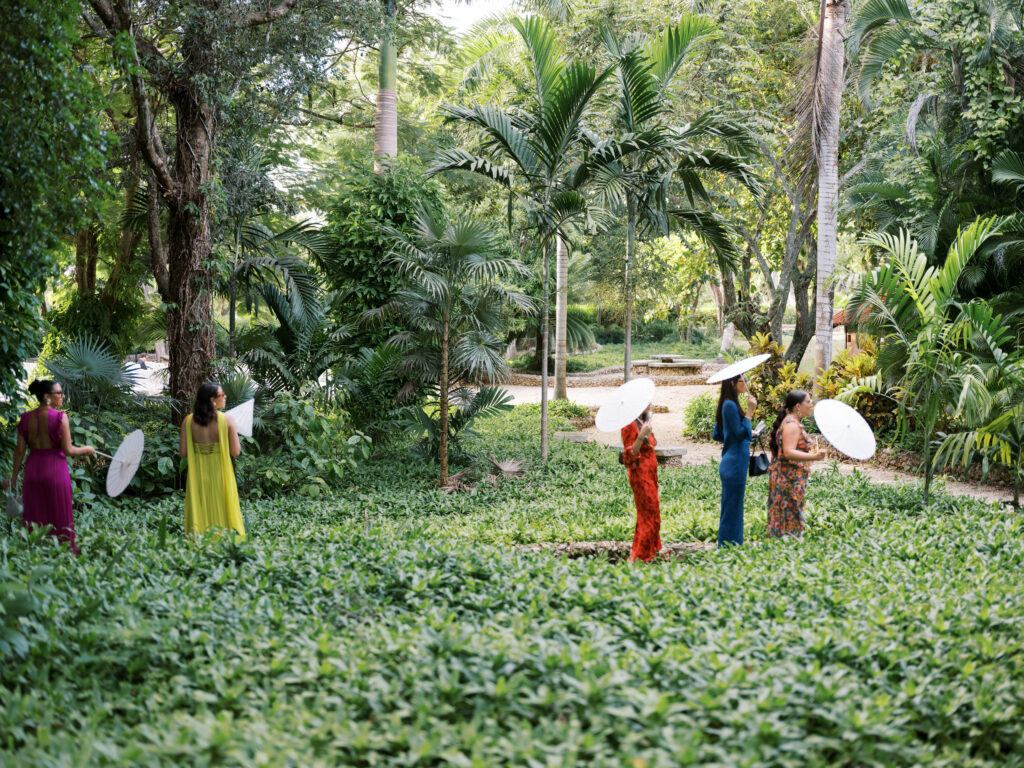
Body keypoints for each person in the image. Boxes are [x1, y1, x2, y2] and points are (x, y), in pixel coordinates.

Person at [3, 380, 95, 553]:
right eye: (59, 393)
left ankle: (34, 551)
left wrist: (14, 477)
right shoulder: (61, 417)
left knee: (34, 514)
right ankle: (64, 553)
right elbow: (68, 449)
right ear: (47, 397)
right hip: (55, 470)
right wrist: (86, 449)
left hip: (33, 470)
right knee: (60, 514)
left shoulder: (25, 418)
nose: (62, 395)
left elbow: (19, 451)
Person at [179, 382, 245, 539]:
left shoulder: (187, 421)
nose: (225, 397)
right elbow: (235, 452)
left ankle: (199, 537)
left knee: (200, 503)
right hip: (220, 471)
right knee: (223, 504)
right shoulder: (227, 420)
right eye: (222, 395)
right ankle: (224, 537)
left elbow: (183, 453)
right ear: (212, 400)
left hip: (198, 473)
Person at [767, 390, 826, 537]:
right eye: (809, 402)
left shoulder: (792, 422)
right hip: (788, 479)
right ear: (798, 406)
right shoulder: (791, 424)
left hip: (790, 478)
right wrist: (814, 456)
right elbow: (788, 452)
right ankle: (785, 551)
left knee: (788, 516)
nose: (811, 405)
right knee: (788, 517)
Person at [712, 375, 756, 547]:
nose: (746, 384)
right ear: (732, 383)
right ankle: (727, 546)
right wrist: (750, 413)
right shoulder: (729, 404)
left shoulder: (730, 403)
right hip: (734, 463)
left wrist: (745, 433)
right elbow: (738, 434)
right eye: (742, 381)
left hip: (734, 460)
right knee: (732, 508)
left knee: (734, 507)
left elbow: (719, 433)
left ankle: (733, 544)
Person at [621, 404, 661, 562]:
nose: (649, 404)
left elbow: (652, 444)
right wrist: (640, 435)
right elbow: (629, 455)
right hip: (640, 475)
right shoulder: (628, 424)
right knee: (647, 514)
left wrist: (648, 431)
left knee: (652, 512)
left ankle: (646, 551)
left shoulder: (642, 421)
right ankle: (641, 557)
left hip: (650, 473)